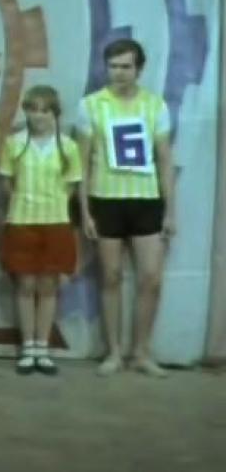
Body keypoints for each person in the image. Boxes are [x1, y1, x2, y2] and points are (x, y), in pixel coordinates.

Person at [77, 38, 175, 378]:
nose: (118, 73)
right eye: (113, 66)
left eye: (126, 67)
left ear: (139, 69)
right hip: (106, 201)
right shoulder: (91, 105)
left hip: (146, 201)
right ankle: (114, 352)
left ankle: (141, 352)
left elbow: (165, 161)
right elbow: (81, 165)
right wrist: (85, 211)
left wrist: (170, 211)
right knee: (111, 276)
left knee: (151, 278)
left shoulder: (155, 106)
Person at [0, 86, 81, 375]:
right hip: (21, 222)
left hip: (56, 223)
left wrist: (53, 204)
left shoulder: (68, 146)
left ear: (55, 113)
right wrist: (22, 202)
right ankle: (28, 347)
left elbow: (71, 185)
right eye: (32, 109)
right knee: (25, 286)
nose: (38, 116)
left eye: (45, 110)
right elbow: (5, 182)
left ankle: (43, 349)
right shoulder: (14, 143)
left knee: (48, 287)